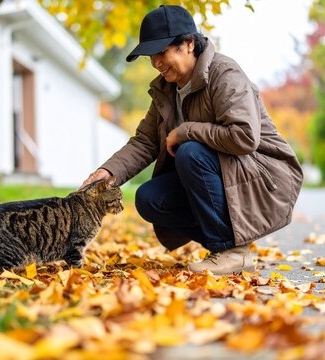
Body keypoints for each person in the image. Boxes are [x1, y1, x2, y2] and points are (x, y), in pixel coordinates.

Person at [80, 5, 303, 275]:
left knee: (190, 152)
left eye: (162, 52)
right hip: (225, 173)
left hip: (263, 175)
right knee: (149, 198)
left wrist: (186, 131)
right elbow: (145, 142)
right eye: (151, 56)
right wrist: (108, 172)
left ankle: (232, 250)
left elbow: (244, 137)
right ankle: (224, 247)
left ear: (188, 44)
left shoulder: (224, 74)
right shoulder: (166, 89)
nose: (156, 63)